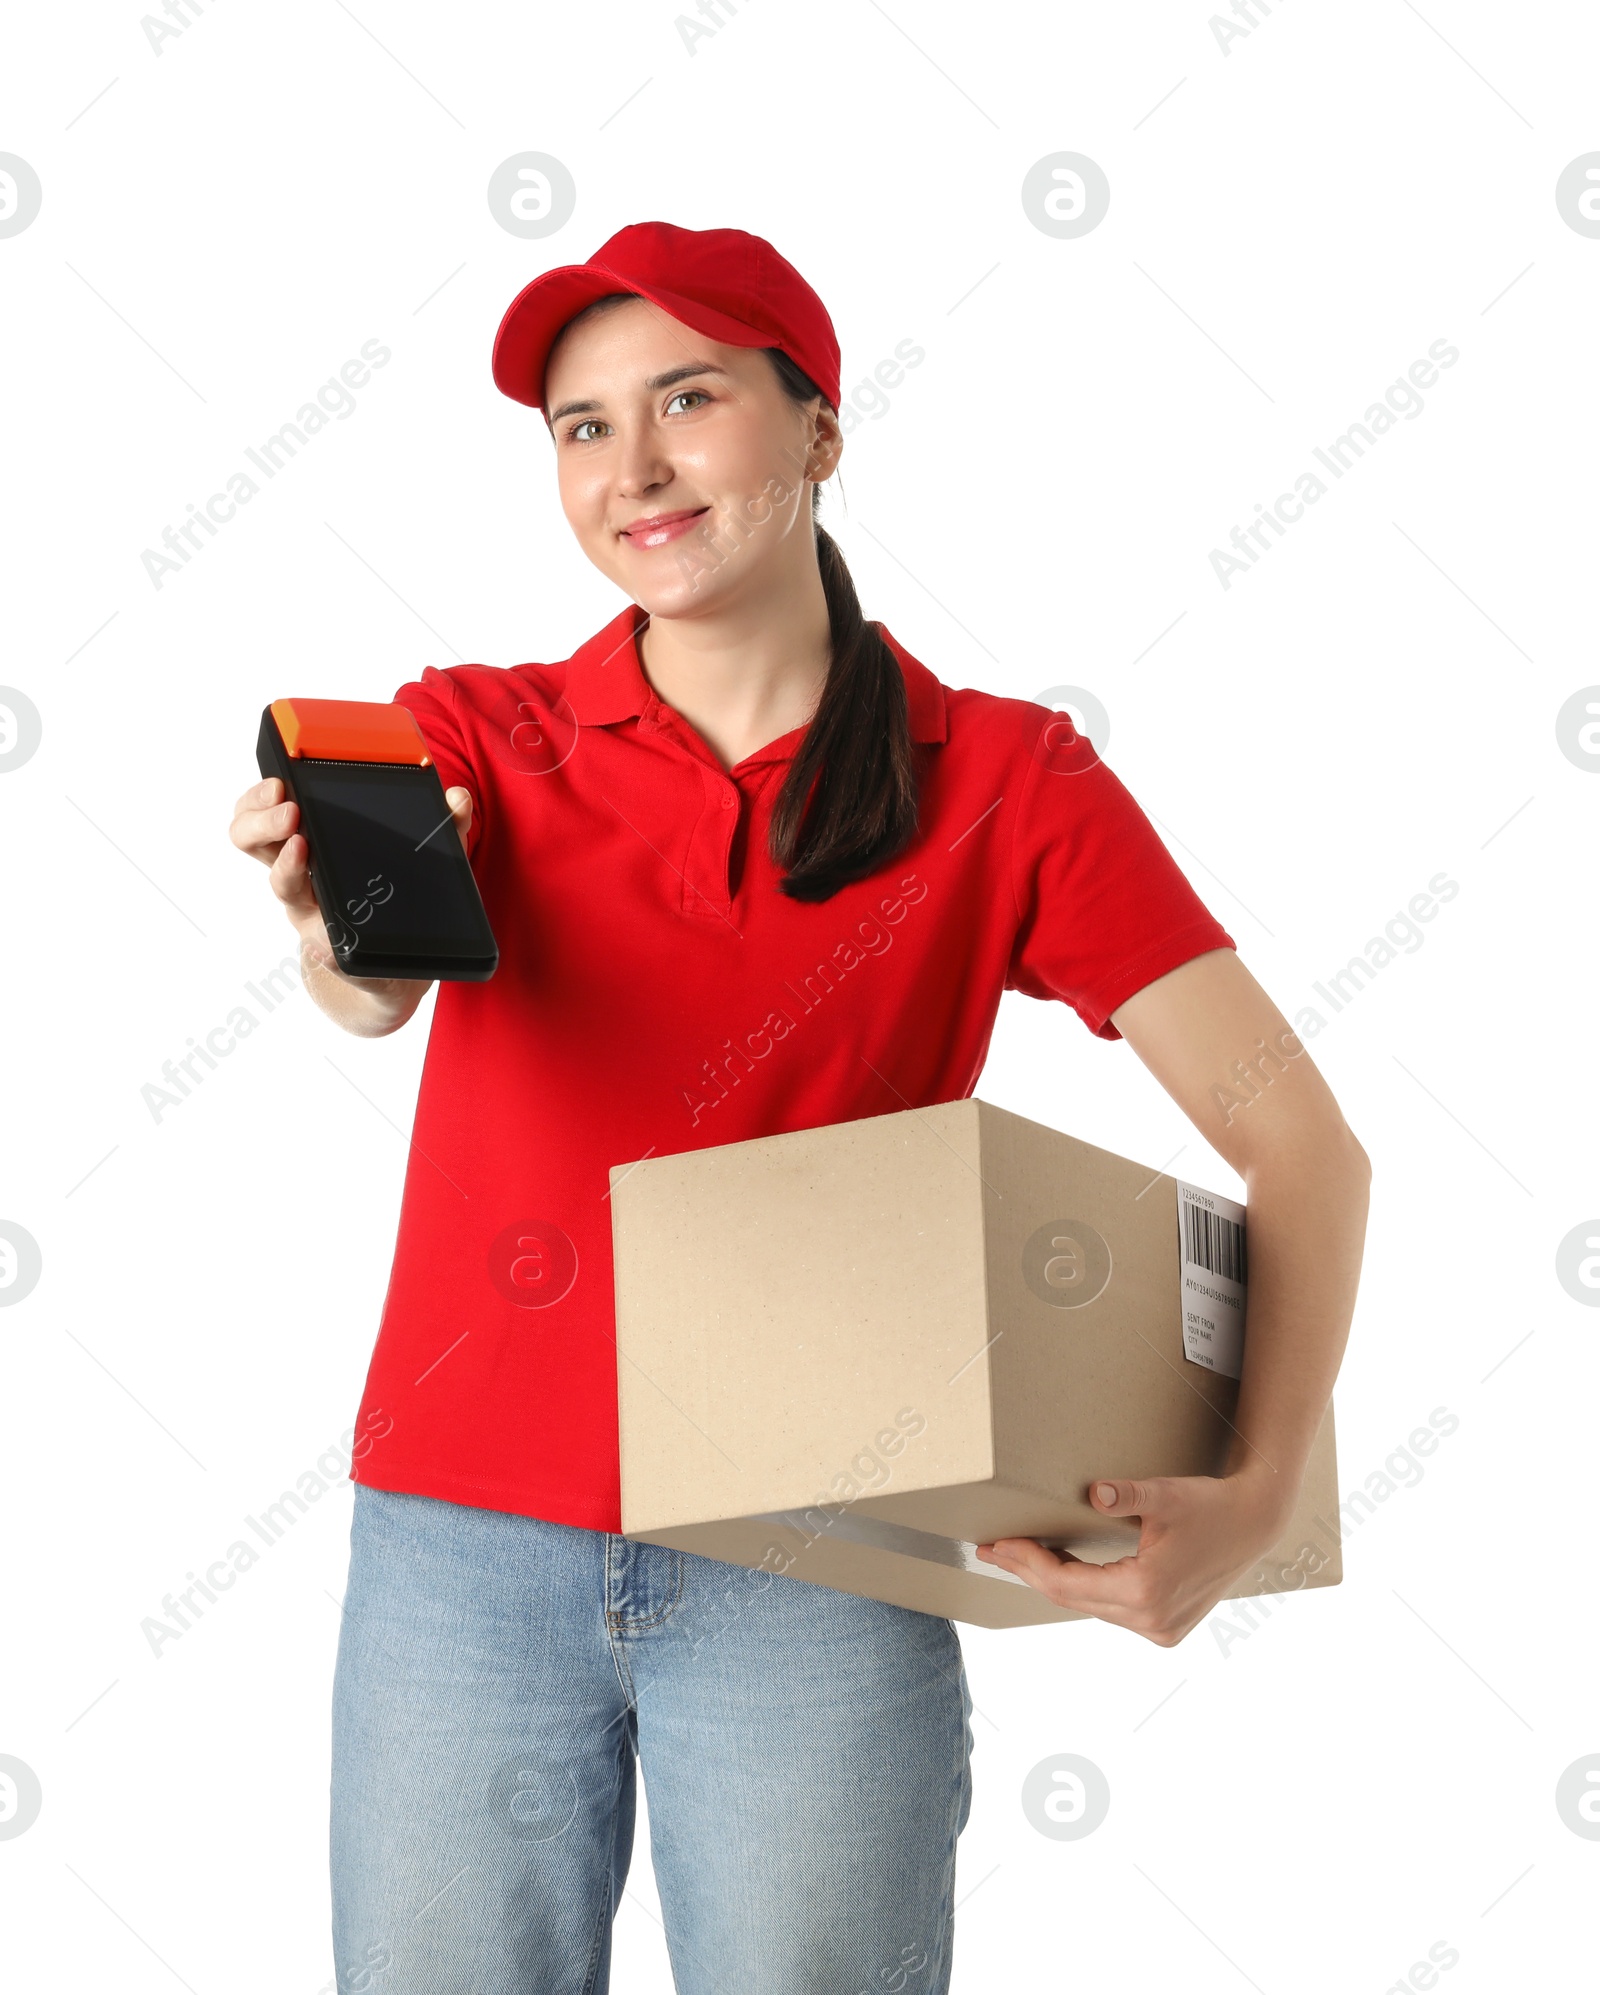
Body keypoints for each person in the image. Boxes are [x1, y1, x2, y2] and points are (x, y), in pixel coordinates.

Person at [229, 221, 1370, 1995]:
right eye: (583, 427)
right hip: (462, 1553)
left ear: (820, 433)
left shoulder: (1005, 781)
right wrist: (331, 930)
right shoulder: (476, 731)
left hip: (823, 1565)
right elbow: (374, 987)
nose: (635, 468)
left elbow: (1302, 1143)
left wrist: (1259, 1482)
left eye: (688, 401)